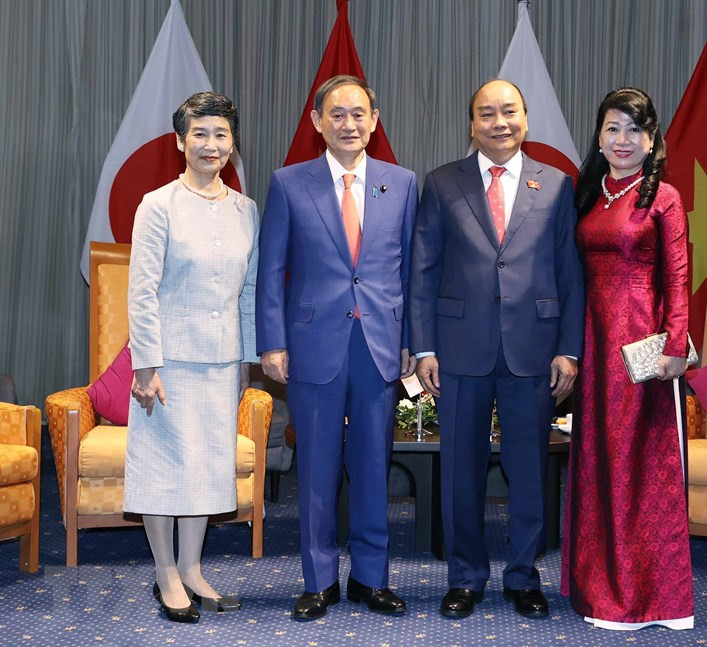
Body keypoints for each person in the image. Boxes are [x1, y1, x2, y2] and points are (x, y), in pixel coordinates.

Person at [409, 79, 584, 619]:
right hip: (459, 351)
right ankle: (465, 577)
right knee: (460, 469)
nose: (499, 122)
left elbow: (569, 274)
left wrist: (569, 350)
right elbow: (422, 272)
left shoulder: (556, 185)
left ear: (526, 119)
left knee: (528, 469)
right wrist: (423, 348)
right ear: (472, 125)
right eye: (487, 114)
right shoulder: (441, 184)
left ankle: (524, 577)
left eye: (509, 112)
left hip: (533, 350)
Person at [256, 75, 417, 621]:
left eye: (359, 114)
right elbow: (271, 269)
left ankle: (371, 579)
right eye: (337, 114)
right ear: (317, 122)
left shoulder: (402, 182)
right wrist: (272, 342)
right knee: (318, 471)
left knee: (374, 466)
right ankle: (319, 580)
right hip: (311, 346)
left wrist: (413, 344)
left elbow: (410, 271)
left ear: (375, 121)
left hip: (379, 346)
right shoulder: (287, 183)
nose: (349, 124)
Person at [561, 87, 694, 630]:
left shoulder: (663, 197)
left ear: (652, 138)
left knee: (636, 466)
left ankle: (644, 598)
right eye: (613, 128)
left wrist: (676, 347)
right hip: (590, 344)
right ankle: (597, 585)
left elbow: (680, 277)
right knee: (594, 462)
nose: (622, 140)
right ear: (599, 134)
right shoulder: (589, 192)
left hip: (640, 349)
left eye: (634, 130)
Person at [124, 92, 257, 623]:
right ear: (180, 141)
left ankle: (193, 567)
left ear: (233, 143)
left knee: (206, 467)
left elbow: (247, 293)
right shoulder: (158, 204)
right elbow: (142, 290)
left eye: (221, 134)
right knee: (163, 467)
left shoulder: (245, 209)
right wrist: (145, 365)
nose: (211, 144)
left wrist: (246, 360)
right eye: (200, 134)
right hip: (168, 362)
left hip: (222, 361)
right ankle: (164, 573)